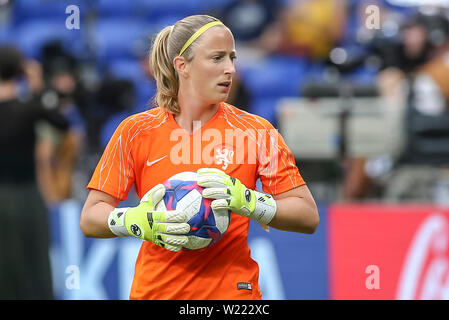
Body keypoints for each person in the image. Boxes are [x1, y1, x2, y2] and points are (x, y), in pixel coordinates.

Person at [80, 15, 319, 300]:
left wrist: (251, 202)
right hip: (155, 293)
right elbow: (90, 217)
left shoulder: (257, 131)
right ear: (183, 66)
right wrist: (135, 220)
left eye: (232, 57)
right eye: (217, 58)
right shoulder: (135, 131)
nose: (230, 69)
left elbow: (307, 215)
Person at [0, 45, 68, 299]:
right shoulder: (28, 108)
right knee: (35, 263)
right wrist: (37, 87)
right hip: (28, 195)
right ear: (20, 71)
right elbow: (61, 123)